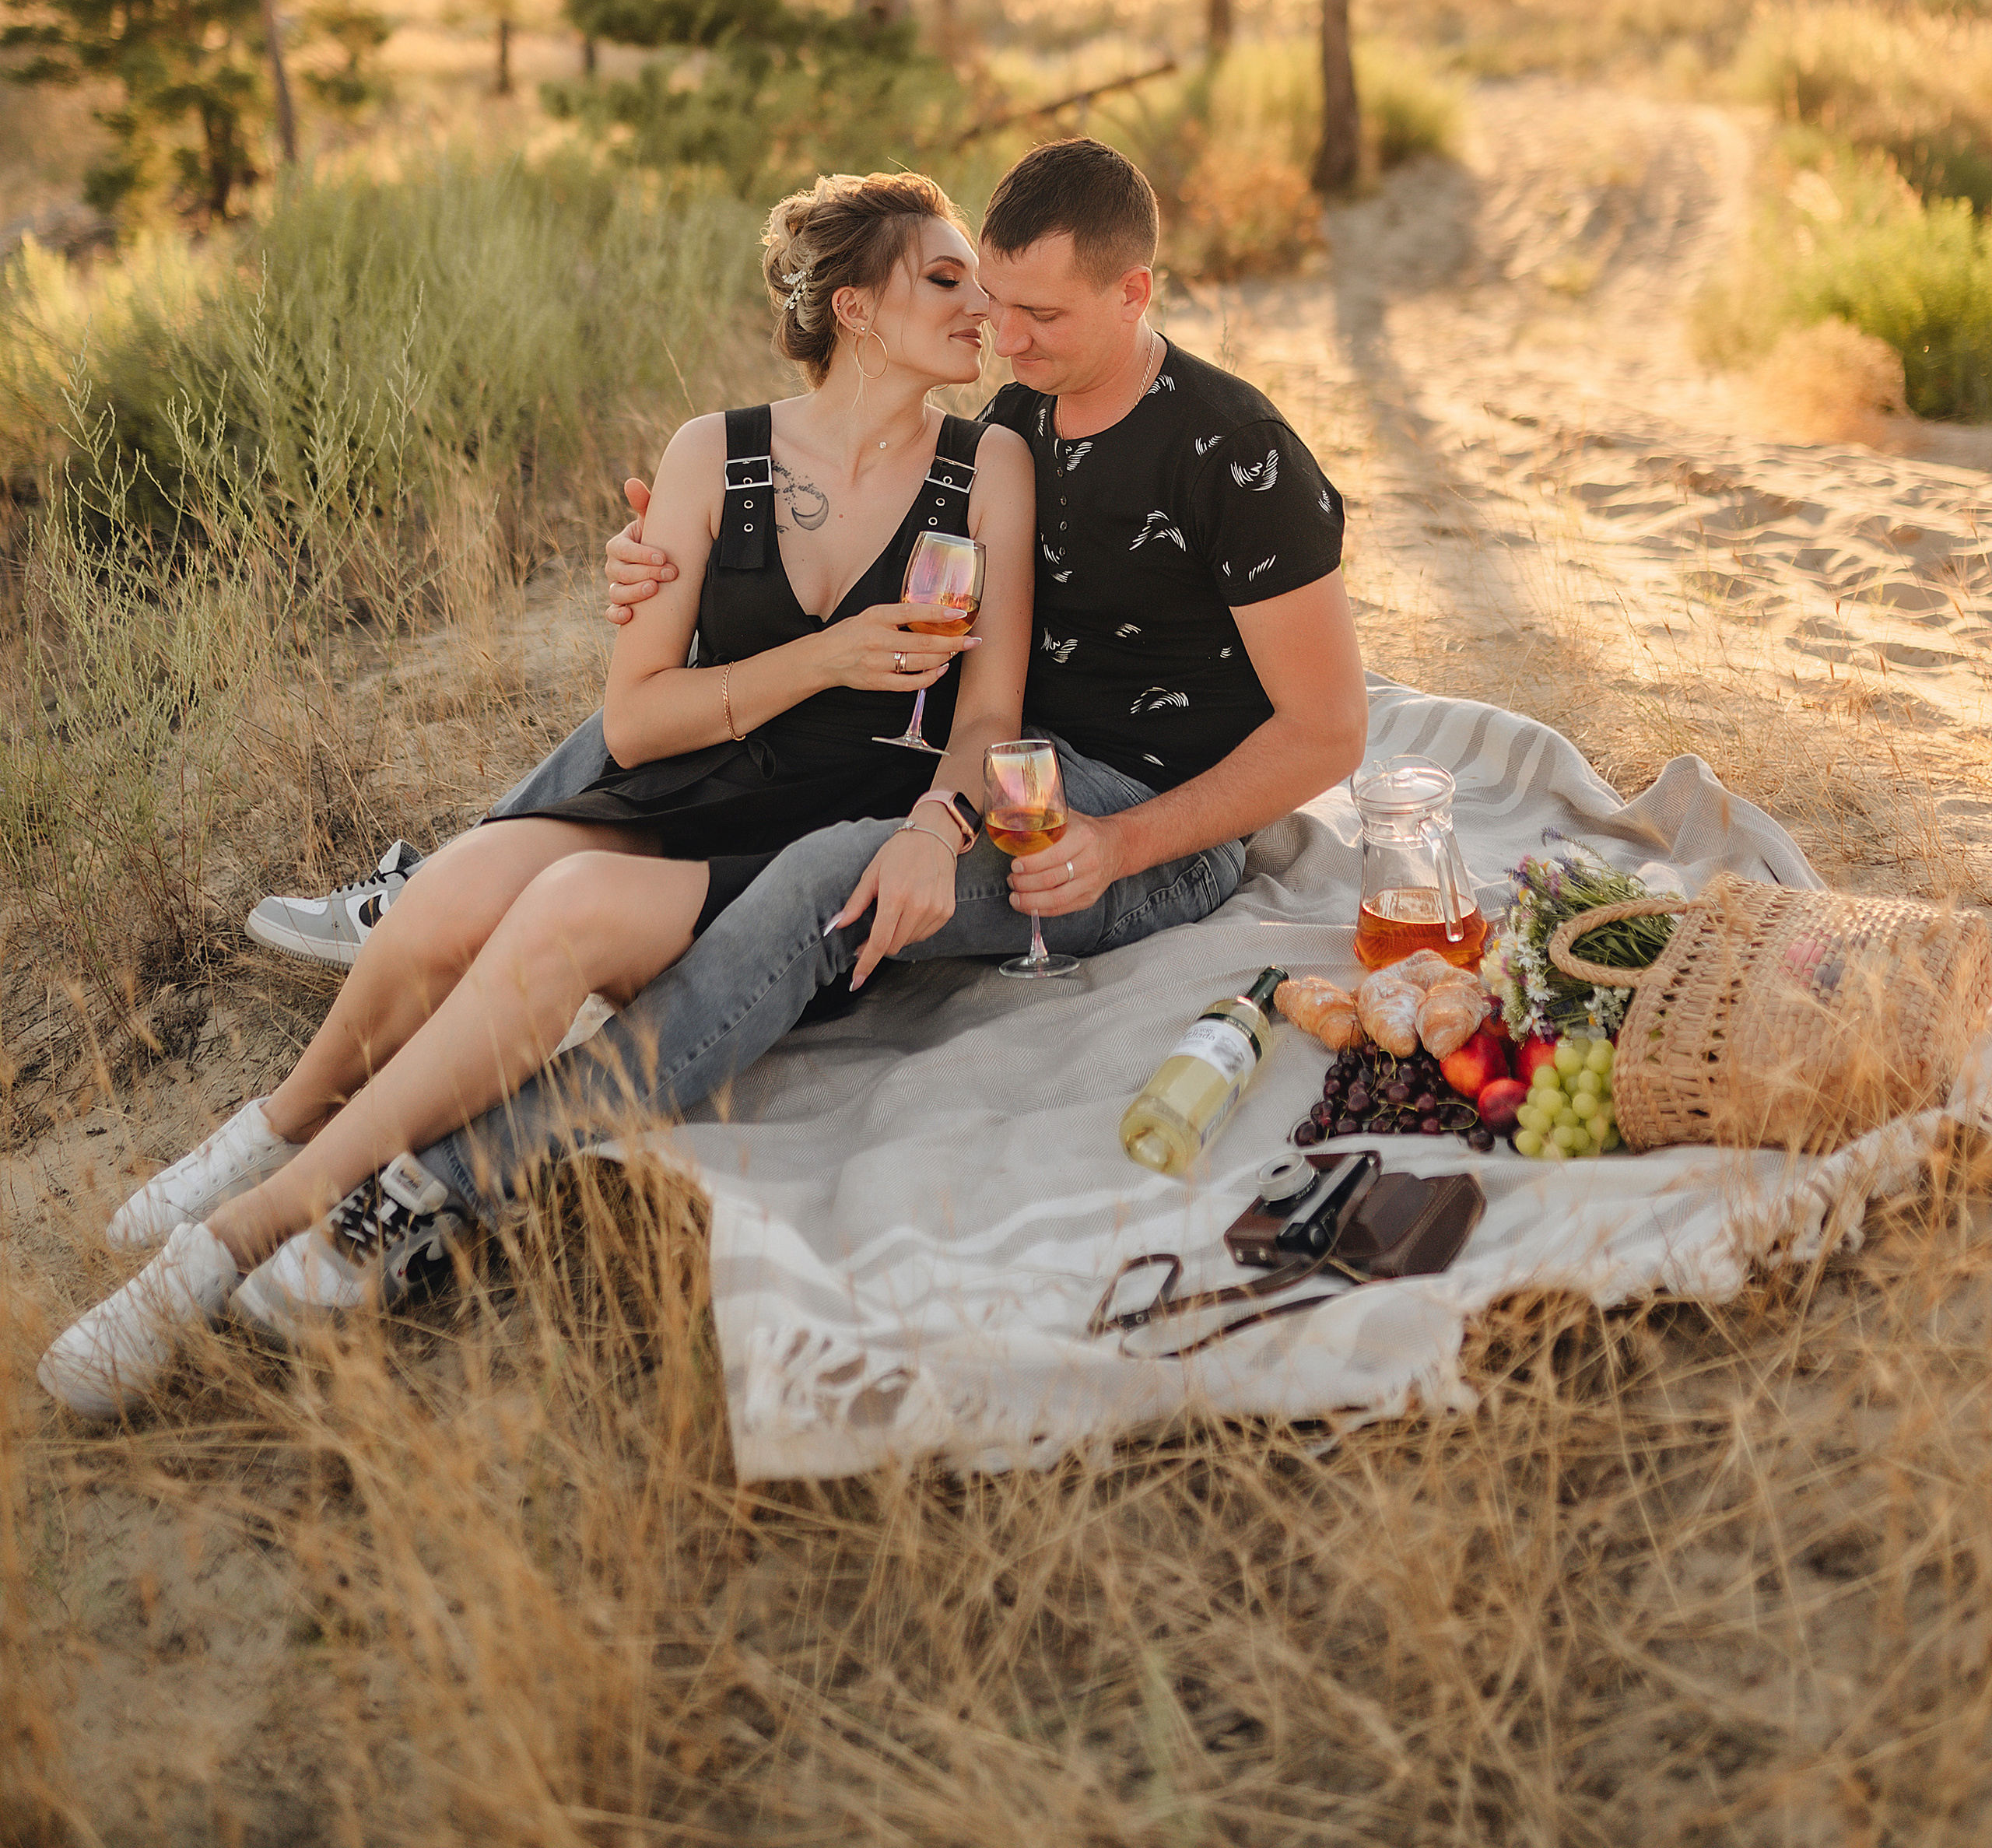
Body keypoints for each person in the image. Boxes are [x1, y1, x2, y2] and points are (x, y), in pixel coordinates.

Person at [167, 137, 1368, 1336]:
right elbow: (926, 623)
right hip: (993, 765)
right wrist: (662, 562)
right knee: (640, 725)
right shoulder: (1020, 415)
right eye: (989, 304)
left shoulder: (1237, 452)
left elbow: (1327, 734)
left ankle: (440, 1188)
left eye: (1036, 314)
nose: (1003, 336)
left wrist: (1114, 846)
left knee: (825, 873)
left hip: (1132, 820)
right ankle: (445, 885)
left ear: (1134, 293)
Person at [40, 171, 1034, 1417]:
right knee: (452, 894)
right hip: (683, 782)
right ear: (855, 308)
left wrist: (937, 828)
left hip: (805, 851)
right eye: (946, 277)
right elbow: (636, 715)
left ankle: (232, 1237)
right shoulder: (710, 455)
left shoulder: (985, 464)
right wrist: (827, 657)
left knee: (562, 908)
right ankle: (280, 1118)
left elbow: (988, 719)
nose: (980, 300)